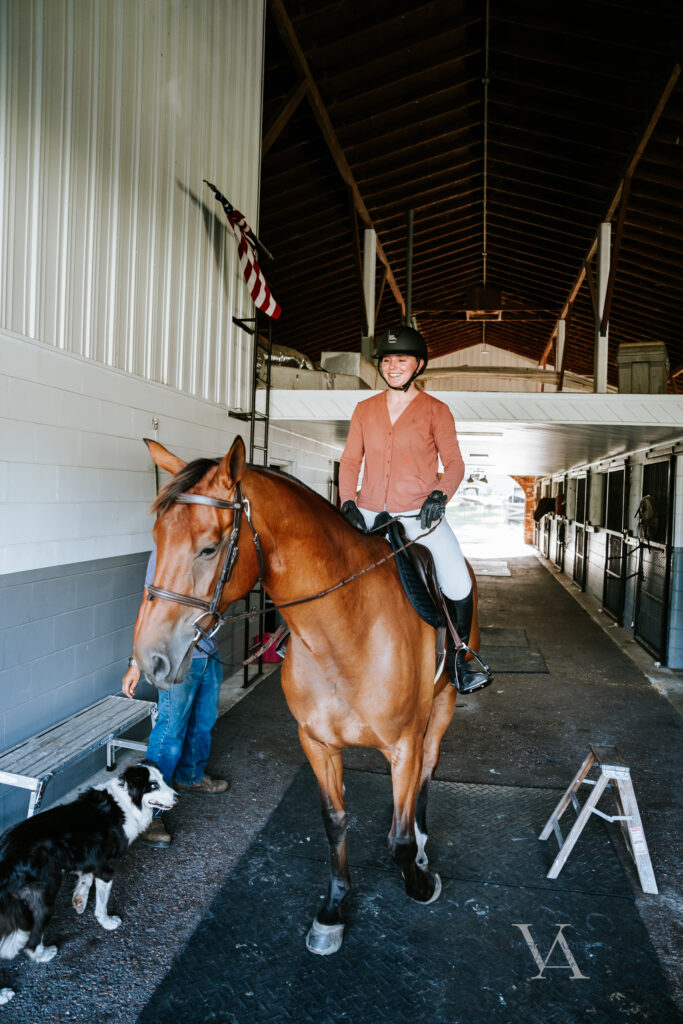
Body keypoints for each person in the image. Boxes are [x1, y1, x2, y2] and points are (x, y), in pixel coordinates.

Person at [338, 325, 490, 694]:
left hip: (420, 518)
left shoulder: (437, 411)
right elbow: (349, 461)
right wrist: (346, 501)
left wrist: (440, 496)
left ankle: (459, 658)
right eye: (387, 360)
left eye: (401, 360)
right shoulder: (364, 409)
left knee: (457, 578)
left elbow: (454, 463)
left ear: (418, 365)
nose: (392, 367)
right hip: (370, 515)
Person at [122, 549, 229, 848]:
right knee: (170, 731)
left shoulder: (212, 548)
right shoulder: (166, 550)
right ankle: (149, 811)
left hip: (208, 652)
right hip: (175, 657)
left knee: (204, 720)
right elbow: (148, 605)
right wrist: (135, 664)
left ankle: (191, 775)